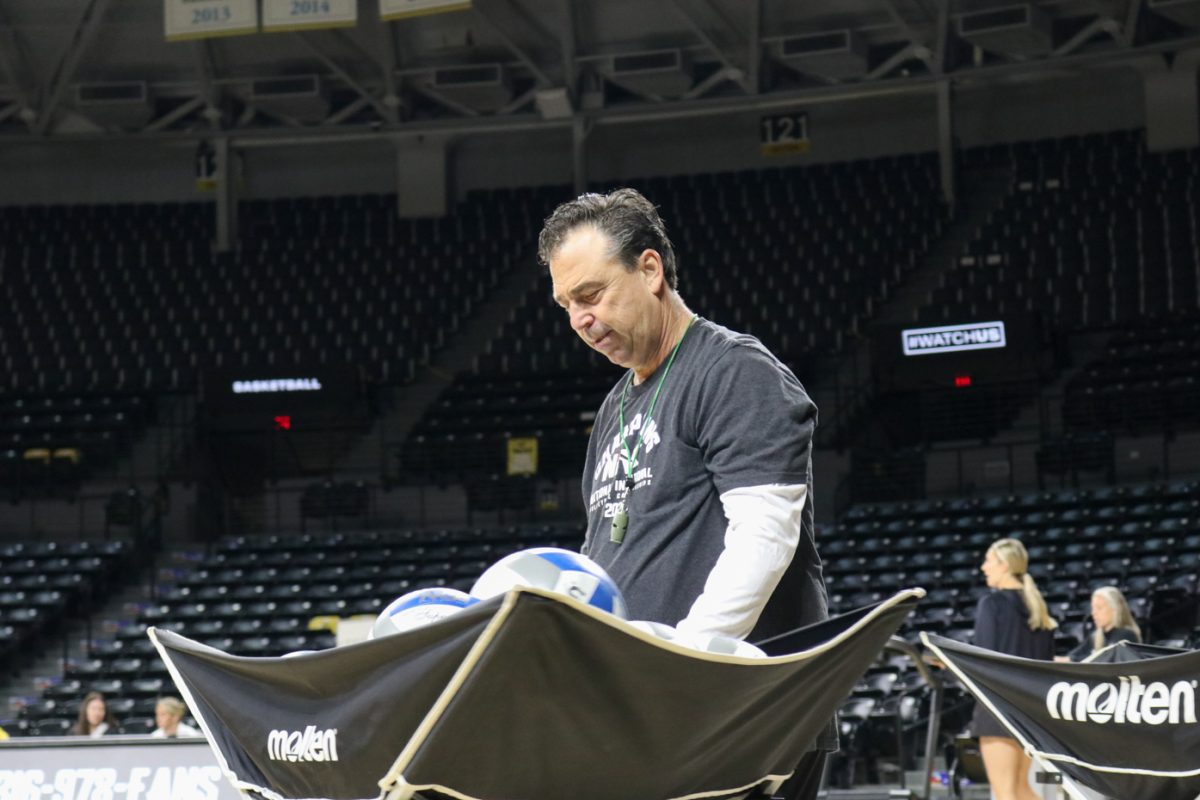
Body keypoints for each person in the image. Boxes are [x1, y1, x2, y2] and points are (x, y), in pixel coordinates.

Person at [539, 188, 831, 800]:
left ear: (650, 270)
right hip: (649, 714)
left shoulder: (735, 371)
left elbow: (764, 540)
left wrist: (684, 671)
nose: (579, 321)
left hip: (734, 713)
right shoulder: (617, 404)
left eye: (591, 295)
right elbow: (604, 557)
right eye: (566, 305)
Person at [973, 538, 1057, 800]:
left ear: (1004, 565)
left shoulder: (992, 604)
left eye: (988, 561)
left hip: (998, 708)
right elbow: (1047, 665)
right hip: (1030, 711)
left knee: (1006, 792)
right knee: (1023, 789)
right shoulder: (1039, 609)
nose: (983, 567)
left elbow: (983, 660)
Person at [1061, 586, 1141, 662]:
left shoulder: (1126, 635)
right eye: (1093, 608)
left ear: (1114, 609)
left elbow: (1107, 661)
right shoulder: (1096, 636)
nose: (1093, 613)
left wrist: (1072, 660)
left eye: (1099, 608)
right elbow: (1073, 655)